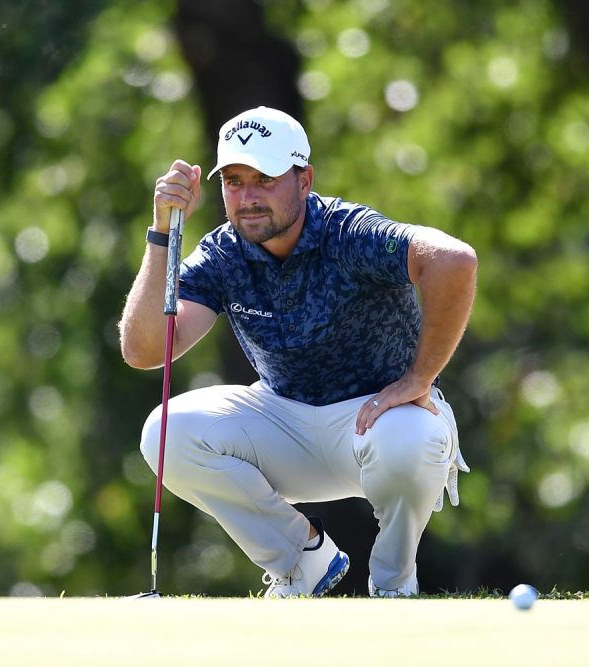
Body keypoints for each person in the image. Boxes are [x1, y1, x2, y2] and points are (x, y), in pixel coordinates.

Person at [118, 106, 477, 598]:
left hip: (376, 423)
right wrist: (161, 234)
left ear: (304, 179)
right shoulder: (224, 253)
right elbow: (144, 350)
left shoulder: (348, 233)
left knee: (411, 440)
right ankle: (302, 559)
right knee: (165, 432)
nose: (248, 198)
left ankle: (395, 586)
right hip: (284, 422)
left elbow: (454, 260)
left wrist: (420, 378)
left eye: (265, 179)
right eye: (235, 182)